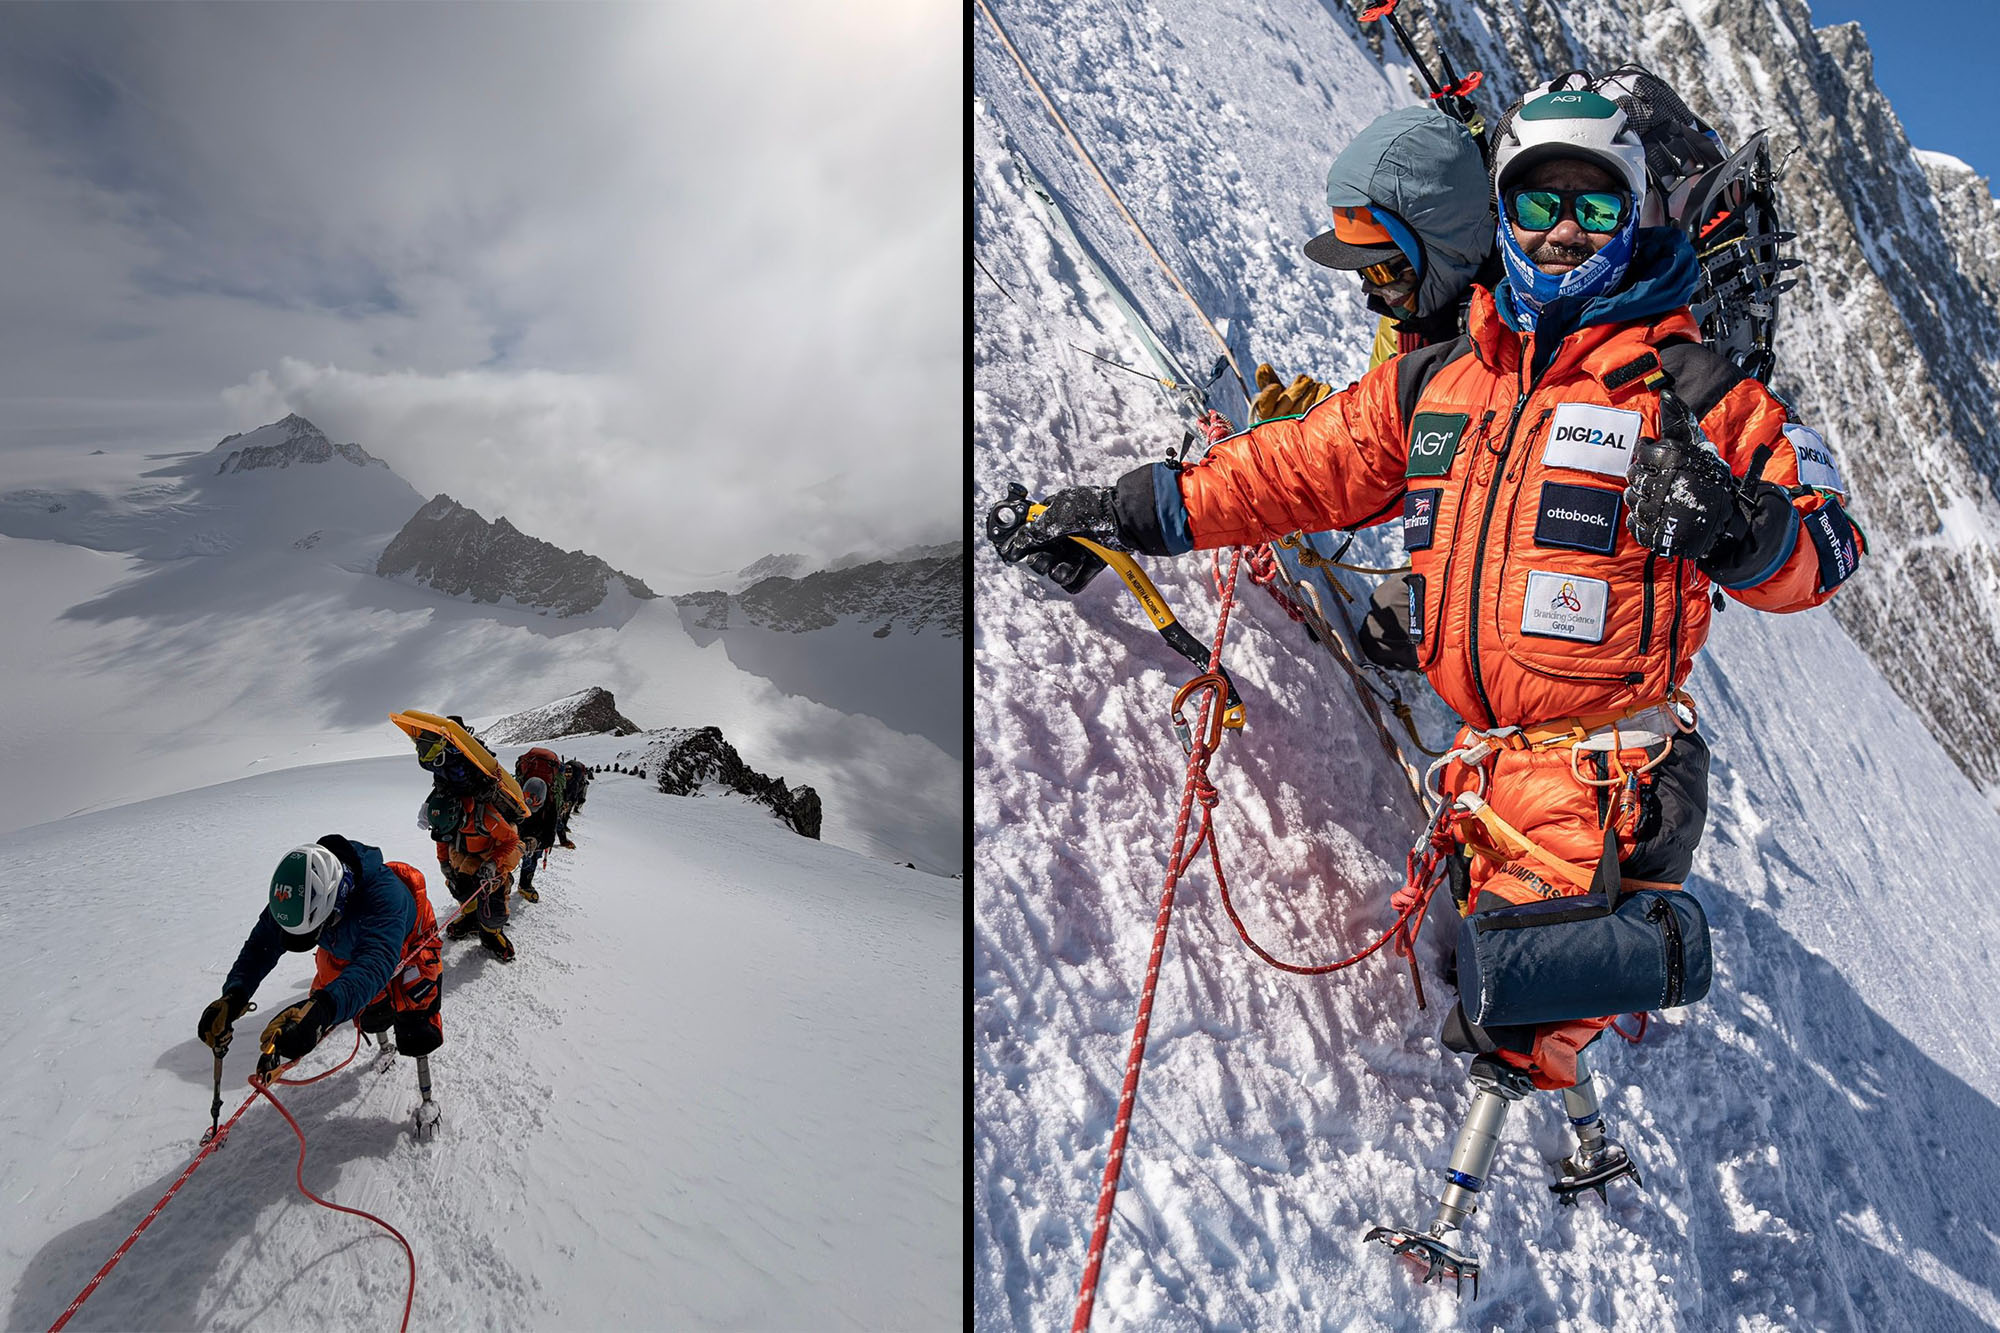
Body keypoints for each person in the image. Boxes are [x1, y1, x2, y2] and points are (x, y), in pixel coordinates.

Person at [994, 85, 1862, 1276]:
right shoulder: (1443, 381)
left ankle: (1450, 1234)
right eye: (1536, 201)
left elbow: (1824, 547)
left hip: (1606, 768)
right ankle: (1582, 1131)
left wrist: (1734, 526)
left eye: (1590, 203)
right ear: (1499, 213)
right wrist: (1116, 509)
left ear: (1629, 217)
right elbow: (1281, 473)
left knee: (1506, 1006)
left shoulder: (1692, 385)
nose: (1562, 231)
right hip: (1490, 758)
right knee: (1506, 971)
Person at [1255, 103, 1502, 671]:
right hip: (1470, 511)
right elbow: (1385, 425)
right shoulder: (1419, 304)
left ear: (1443, 246)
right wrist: (1317, 422)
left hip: (1535, 548)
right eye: (1367, 271)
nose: (1375, 292)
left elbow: (1407, 468)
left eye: (1386, 269)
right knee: (1396, 626)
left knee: (1421, 636)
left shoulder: (1512, 341)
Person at [197, 837, 443, 1071]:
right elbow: (262, 945)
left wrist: (325, 1009)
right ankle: (380, 1034)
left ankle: (426, 1095)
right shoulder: (298, 890)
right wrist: (235, 994)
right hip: (348, 946)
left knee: (417, 1028)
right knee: (372, 1014)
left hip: (407, 943)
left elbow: (376, 962)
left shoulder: (384, 897)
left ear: (335, 903)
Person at [430, 782, 522, 962]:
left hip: (491, 854)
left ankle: (490, 934)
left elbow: (511, 841)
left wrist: (493, 863)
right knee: (459, 885)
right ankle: (471, 916)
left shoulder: (487, 816)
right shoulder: (444, 814)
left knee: (493, 900)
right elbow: (442, 836)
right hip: (464, 855)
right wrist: (444, 863)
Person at [514, 776, 557, 903]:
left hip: (536, 839)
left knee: (530, 860)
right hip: (516, 836)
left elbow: (550, 837)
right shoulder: (516, 801)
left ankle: (525, 884)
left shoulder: (550, 808)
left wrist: (537, 842)